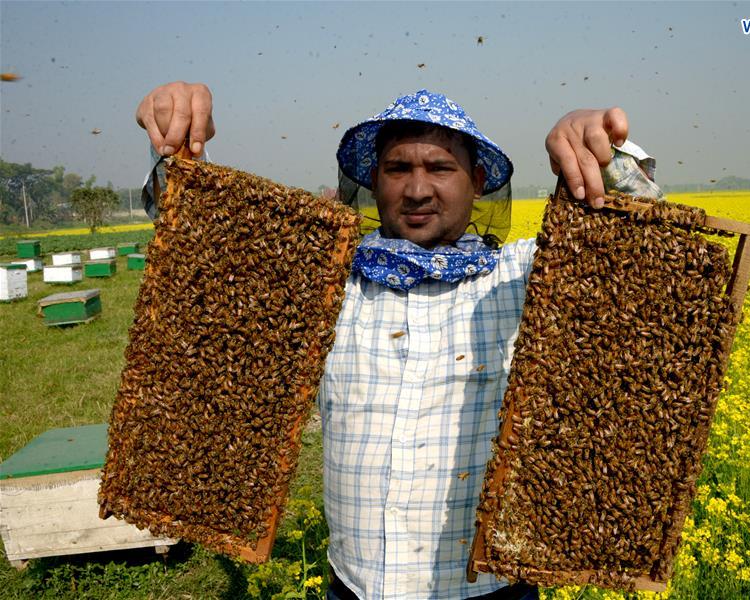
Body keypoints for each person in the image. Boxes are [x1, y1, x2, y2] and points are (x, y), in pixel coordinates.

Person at [136, 82, 659, 600]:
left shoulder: (524, 277)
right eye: (397, 169)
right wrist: (175, 144)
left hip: (493, 592)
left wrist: (600, 151)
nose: (416, 190)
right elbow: (202, 242)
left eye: (440, 168)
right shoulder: (323, 284)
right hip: (356, 589)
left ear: (477, 181)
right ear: (373, 180)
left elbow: (637, 247)